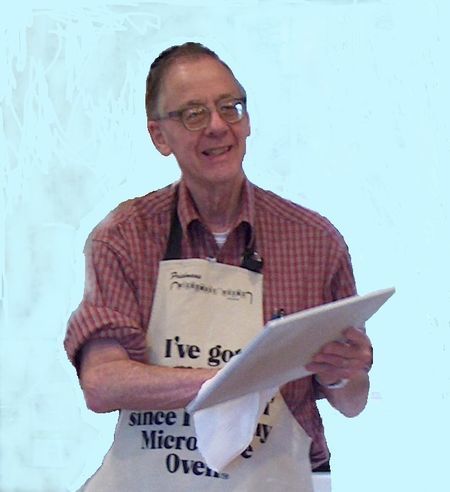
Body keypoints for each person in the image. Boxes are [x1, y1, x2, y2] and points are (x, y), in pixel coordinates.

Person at [64, 42, 373, 491]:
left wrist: (344, 372)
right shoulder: (124, 237)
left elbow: (351, 402)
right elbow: (102, 382)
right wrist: (232, 381)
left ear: (246, 121)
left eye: (230, 107)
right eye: (192, 113)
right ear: (159, 136)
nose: (216, 126)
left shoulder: (314, 240)